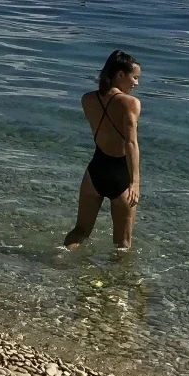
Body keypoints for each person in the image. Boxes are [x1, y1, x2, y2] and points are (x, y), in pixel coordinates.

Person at [63, 49, 142, 251]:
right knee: (122, 244)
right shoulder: (130, 103)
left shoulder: (87, 99)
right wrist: (134, 182)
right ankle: (119, 282)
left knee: (80, 230)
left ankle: (61, 258)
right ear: (120, 75)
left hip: (95, 171)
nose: (136, 83)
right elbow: (130, 143)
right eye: (134, 77)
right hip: (119, 174)